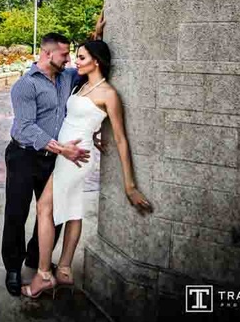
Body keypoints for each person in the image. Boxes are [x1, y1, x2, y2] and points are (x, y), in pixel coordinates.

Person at [20, 39, 153, 299]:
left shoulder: (109, 94)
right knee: (72, 210)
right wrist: (98, 30)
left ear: (96, 62)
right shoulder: (82, 85)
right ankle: (65, 269)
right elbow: (80, 116)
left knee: (45, 207)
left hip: (76, 157)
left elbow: (121, 139)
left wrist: (130, 185)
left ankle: (44, 275)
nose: (74, 62)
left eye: (81, 58)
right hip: (66, 151)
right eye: (76, 57)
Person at [2, 16, 105, 297]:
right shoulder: (25, 85)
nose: (69, 59)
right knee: (16, 212)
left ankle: (36, 260)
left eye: (70, 54)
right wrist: (64, 149)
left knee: (52, 213)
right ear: (48, 54)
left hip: (52, 159)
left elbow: (91, 70)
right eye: (64, 54)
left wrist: (98, 32)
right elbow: (25, 128)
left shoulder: (67, 76)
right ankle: (13, 267)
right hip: (23, 156)